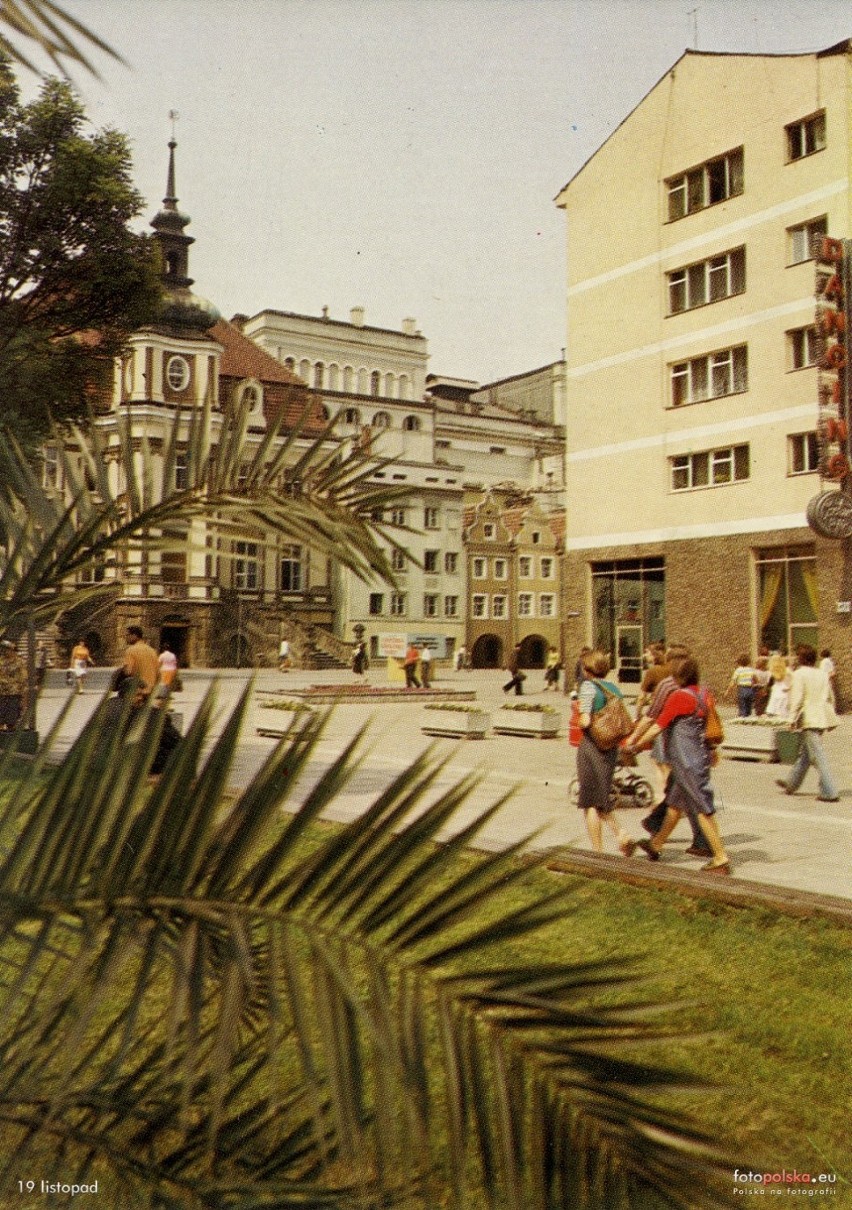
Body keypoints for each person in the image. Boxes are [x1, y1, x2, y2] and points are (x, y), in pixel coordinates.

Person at [627, 657, 730, 874]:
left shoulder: (679, 697)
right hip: (697, 757)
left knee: (703, 809)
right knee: (674, 805)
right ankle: (656, 845)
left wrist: (635, 743)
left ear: (678, 676)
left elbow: (657, 726)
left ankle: (720, 858)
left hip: (686, 763)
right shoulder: (703, 694)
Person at [574, 649, 637, 857]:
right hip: (610, 748)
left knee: (590, 801)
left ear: (587, 668)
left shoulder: (588, 687)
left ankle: (598, 851)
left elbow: (585, 721)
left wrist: (579, 717)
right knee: (601, 795)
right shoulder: (613, 688)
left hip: (592, 746)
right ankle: (621, 835)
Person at [776, 646, 839, 802]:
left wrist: (791, 720)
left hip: (809, 718)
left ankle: (829, 791)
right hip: (821, 718)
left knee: (817, 755)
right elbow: (830, 697)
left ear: (802, 659)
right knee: (806, 754)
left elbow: (797, 699)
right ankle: (792, 783)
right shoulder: (822, 674)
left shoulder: (799, 674)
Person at [122, 626, 160, 705]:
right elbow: (158, 674)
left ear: (134, 635)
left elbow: (127, 672)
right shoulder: (152, 651)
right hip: (151, 692)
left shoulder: (131, 651)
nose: (125, 638)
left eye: (127, 635)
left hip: (137, 693)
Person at [0, 641, 26, 731]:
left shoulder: (19, 662)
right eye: (4, 649)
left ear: (12, 650)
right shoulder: (1, 661)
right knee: (1, 715)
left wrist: (23, 692)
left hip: (14, 693)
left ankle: (10, 730)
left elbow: (23, 677)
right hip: (2, 692)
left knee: (12, 716)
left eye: (7, 649)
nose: (5, 651)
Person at [765, 652, 791, 718]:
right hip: (785, 693)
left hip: (776, 693)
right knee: (784, 714)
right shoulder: (787, 671)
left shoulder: (771, 673)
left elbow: (768, 684)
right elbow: (792, 682)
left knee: (774, 713)